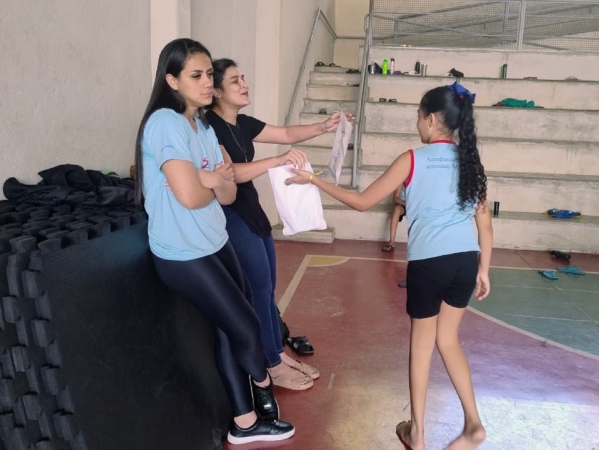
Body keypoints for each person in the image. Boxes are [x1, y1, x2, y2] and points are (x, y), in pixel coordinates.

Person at [286, 83, 492, 450]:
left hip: (429, 263)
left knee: (422, 346)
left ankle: (418, 434)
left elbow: (363, 201)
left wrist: (314, 180)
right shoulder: (470, 161)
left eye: (418, 117)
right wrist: (484, 269)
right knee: (448, 340)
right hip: (465, 259)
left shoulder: (412, 159)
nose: (418, 123)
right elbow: (485, 224)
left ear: (431, 120)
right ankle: (473, 424)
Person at [134, 38, 293, 445]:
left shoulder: (203, 126)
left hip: (215, 241)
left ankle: (245, 422)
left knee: (231, 329)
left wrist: (207, 179)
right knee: (245, 326)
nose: (208, 83)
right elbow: (189, 196)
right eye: (196, 75)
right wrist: (210, 178)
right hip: (184, 253)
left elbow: (228, 194)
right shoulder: (165, 124)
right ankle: (264, 393)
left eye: (208, 74)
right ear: (172, 80)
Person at [205, 58, 353, 390]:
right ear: (216, 92)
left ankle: (277, 354)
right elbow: (230, 174)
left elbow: (285, 133)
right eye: (235, 80)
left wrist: (324, 126)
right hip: (232, 215)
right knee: (258, 289)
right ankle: (270, 363)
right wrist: (278, 159)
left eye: (243, 77)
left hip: (252, 211)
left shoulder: (242, 122)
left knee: (268, 288)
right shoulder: (209, 127)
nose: (244, 84)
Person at [381, 186, 406, 252]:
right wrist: (406, 204)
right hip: (403, 204)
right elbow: (395, 198)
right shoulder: (401, 181)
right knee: (397, 209)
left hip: (416, 205)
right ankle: (391, 242)